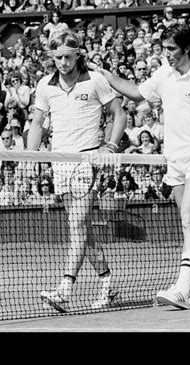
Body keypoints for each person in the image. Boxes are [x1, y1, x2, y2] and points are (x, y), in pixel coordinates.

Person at [94, 23, 190, 309]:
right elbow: (137, 92)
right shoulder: (164, 73)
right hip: (174, 161)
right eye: (163, 49)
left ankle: (183, 287)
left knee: (188, 218)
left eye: (171, 49)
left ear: (187, 48)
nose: (166, 54)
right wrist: (105, 75)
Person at [27, 29, 127, 312]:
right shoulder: (45, 86)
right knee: (82, 231)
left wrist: (110, 147)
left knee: (76, 226)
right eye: (57, 57)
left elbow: (119, 115)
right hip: (60, 163)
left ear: (77, 54)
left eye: (67, 57)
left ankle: (64, 289)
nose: (62, 62)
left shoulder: (95, 81)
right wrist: (28, 156)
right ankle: (108, 284)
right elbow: (37, 125)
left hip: (87, 161)